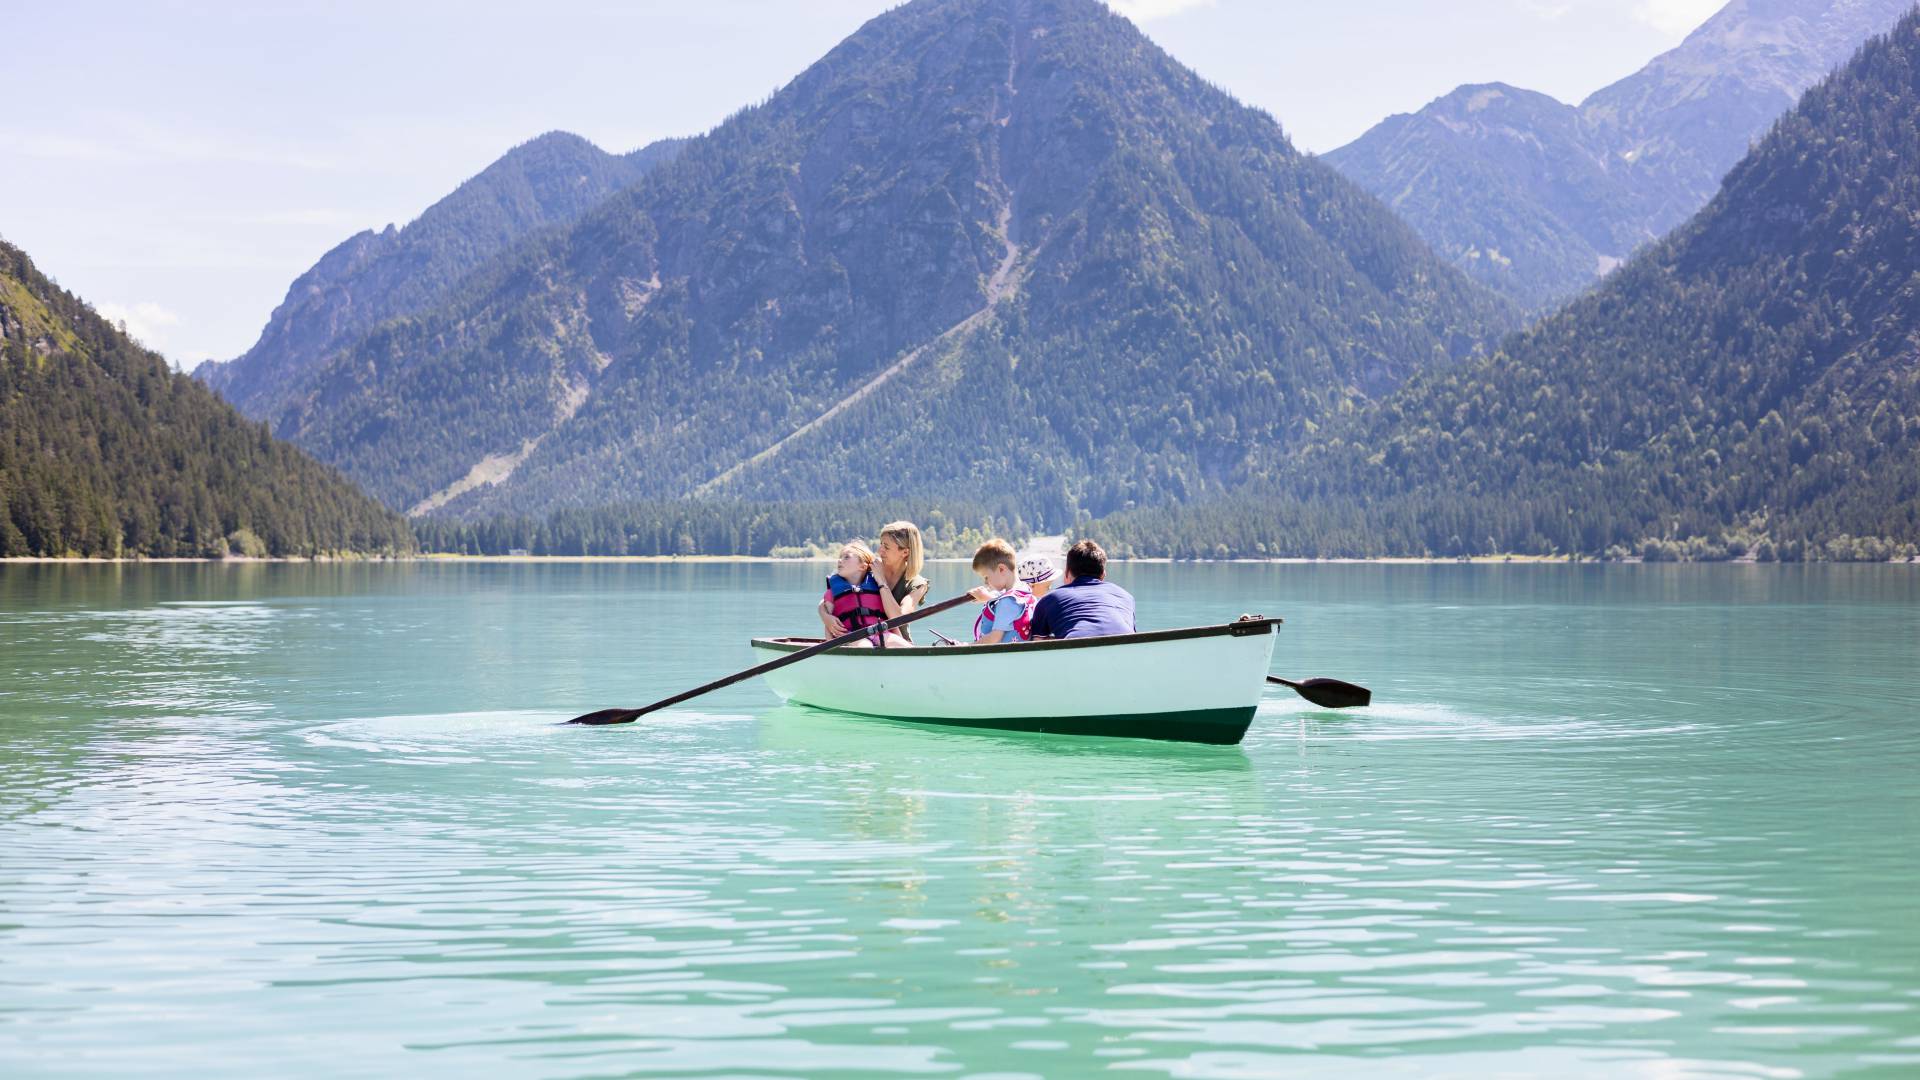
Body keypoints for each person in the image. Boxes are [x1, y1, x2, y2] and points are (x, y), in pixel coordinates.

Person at [1028, 539, 1135, 640]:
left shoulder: (1049, 599)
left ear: (1067, 573)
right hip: (1127, 649)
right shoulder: (1126, 596)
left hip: (1076, 650)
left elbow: (1038, 641)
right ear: (1103, 575)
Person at [966, 539, 1036, 644]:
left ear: (1001, 569)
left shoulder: (1007, 602)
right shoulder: (1024, 591)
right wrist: (987, 597)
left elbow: (994, 639)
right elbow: (1009, 610)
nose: (986, 582)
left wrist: (969, 646)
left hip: (1001, 658)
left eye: (986, 577)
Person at [818, 541, 887, 647]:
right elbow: (829, 624)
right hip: (850, 636)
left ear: (863, 567)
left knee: (901, 645)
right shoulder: (832, 591)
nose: (839, 560)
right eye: (840, 557)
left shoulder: (877, 584)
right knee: (865, 646)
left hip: (878, 632)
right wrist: (830, 645)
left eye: (846, 557)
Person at [873, 520, 931, 645]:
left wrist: (882, 582)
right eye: (881, 544)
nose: (880, 550)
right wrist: (824, 613)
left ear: (905, 552)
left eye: (886, 547)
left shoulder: (918, 584)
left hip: (900, 647)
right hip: (866, 640)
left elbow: (898, 619)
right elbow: (836, 592)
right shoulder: (871, 569)